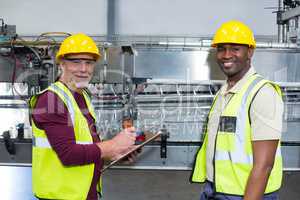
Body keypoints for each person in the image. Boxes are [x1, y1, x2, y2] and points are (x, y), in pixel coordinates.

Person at [30, 33, 137, 200]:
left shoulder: (83, 96)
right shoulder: (51, 100)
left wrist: (114, 154)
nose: (83, 69)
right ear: (62, 63)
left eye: (89, 62)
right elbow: (69, 154)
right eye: (76, 62)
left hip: (84, 194)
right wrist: (113, 144)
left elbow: (87, 146)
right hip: (61, 196)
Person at [191, 20, 283, 200]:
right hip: (214, 190)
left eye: (235, 48)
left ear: (250, 52)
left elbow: (264, 165)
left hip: (246, 194)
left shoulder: (262, 93)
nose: (226, 55)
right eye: (222, 48)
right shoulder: (223, 93)